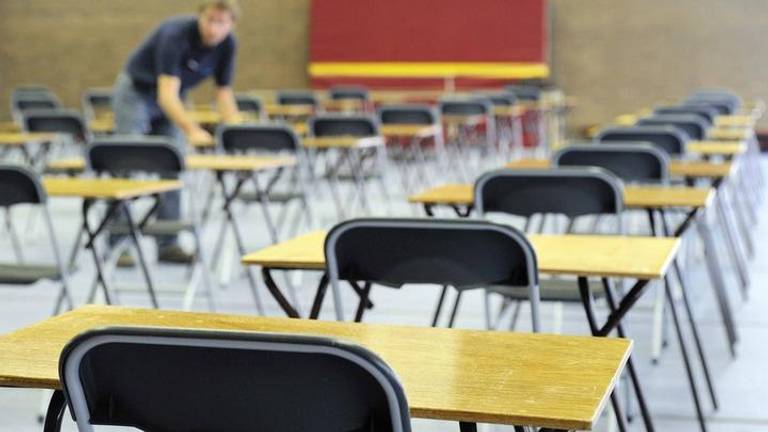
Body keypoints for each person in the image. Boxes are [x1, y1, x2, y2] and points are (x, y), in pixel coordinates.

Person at [111, 0, 241, 266]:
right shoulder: (175, 34)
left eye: (222, 22)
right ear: (199, 17)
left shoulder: (228, 45)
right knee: (128, 162)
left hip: (174, 95)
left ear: (231, 24)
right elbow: (165, 95)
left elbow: (224, 93)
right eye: (210, 20)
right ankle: (119, 244)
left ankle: (168, 243)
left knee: (173, 164)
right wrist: (192, 130)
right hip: (137, 92)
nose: (215, 28)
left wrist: (235, 132)